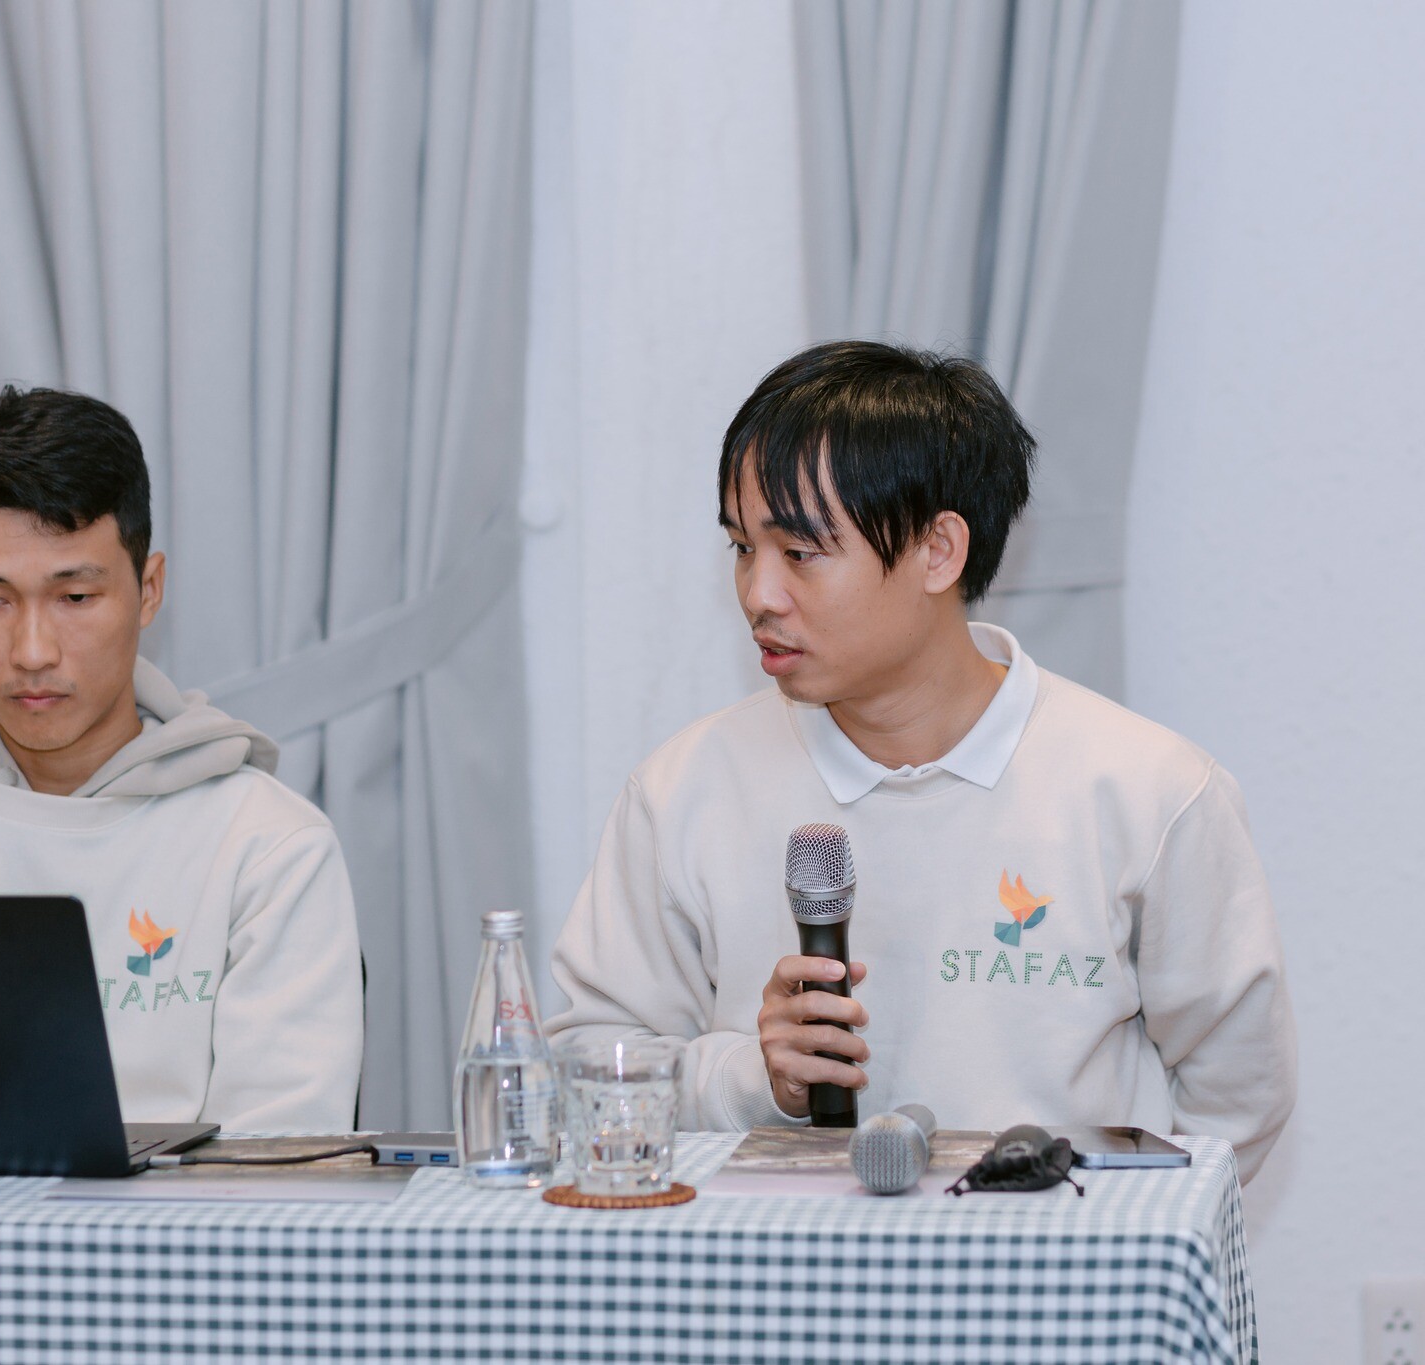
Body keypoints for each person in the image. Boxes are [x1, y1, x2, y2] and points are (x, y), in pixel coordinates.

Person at [545, 341, 1296, 1179]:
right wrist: (755, 1080)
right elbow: (587, 1069)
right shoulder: (683, 790)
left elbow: (1237, 1100)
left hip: (1055, 1260)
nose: (759, 593)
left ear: (939, 551)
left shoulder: (1150, 792)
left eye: (799, 552)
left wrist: (1112, 1233)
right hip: (774, 1256)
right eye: (742, 548)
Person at [0, 386, 363, 1132]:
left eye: (76, 597)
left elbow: (275, 1163)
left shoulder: (269, 845)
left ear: (148, 589)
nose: (32, 652)